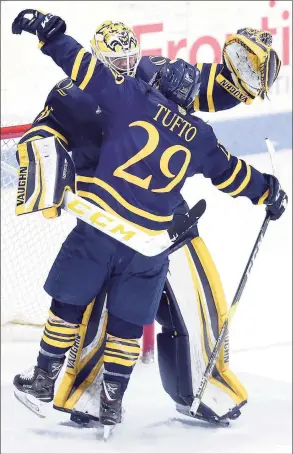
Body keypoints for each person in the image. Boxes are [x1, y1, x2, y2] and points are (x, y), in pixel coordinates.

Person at [11, 10, 287, 433]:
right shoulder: (186, 128)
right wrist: (264, 189)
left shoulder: (134, 85)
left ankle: (202, 385)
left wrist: (49, 34)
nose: (126, 68)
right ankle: (90, 394)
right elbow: (226, 167)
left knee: (191, 303)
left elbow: (207, 89)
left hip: (127, 218)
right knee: (107, 313)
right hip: (151, 225)